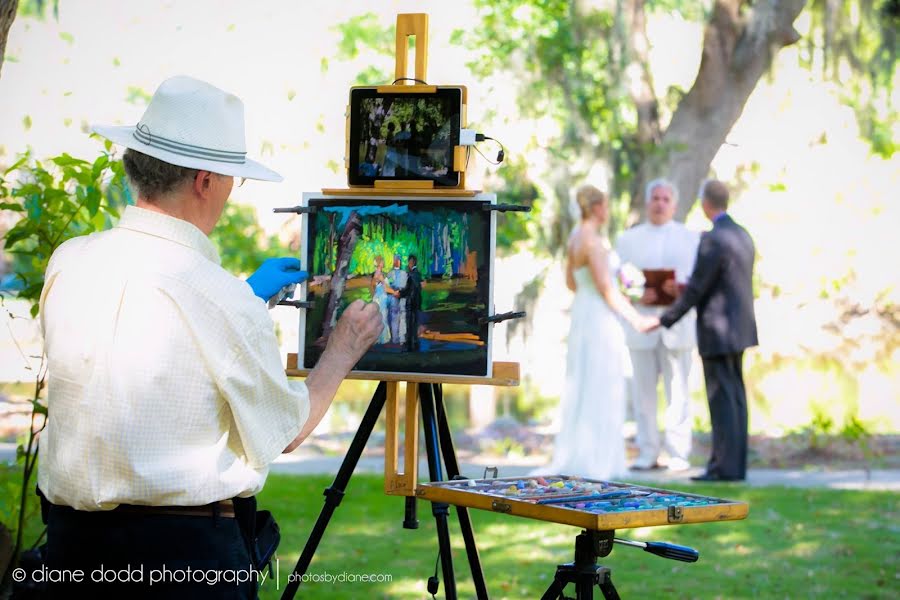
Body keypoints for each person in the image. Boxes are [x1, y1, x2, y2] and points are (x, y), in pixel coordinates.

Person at [36, 76, 383, 598]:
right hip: (183, 562)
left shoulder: (71, 260)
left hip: (67, 554)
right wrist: (342, 350)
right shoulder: (221, 299)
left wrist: (241, 301)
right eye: (232, 180)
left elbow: (144, 347)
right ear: (205, 181)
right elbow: (285, 430)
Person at [536, 185, 653, 480]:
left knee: (584, 381)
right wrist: (636, 318)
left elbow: (572, 283)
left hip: (582, 315)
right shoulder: (594, 242)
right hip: (599, 319)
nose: (608, 211)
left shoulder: (575, 238)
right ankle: (596, 460)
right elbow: (607, 290)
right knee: (601, 382)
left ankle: (583, 452)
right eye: (606, 205)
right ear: (598, 207)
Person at [644, 180, 758, 482]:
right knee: (736, 399)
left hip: (717, 330)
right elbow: (720, 280)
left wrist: (663, 319)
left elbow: (697, 288)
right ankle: (736, 466)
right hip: (740, 328)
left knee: (721, 401)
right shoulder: (742, 235)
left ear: (706, 204)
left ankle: (722, 468)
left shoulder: (712, 239)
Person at [615, 179, 700, 472]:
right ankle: (647, 452)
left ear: (674, 205)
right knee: (643, 394)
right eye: (655, 197)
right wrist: (638, 293)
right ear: (647, 202)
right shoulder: (627, 240)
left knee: (679, 394)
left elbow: (698, 282)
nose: (660, 203)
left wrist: (681, 289)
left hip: (678, 326)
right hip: (641, 325)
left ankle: (678, 453)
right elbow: (618, 282)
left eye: (666, 198)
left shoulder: (691, 239)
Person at [398, 254, 423, 351]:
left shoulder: (411, 275)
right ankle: (415, 340)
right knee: (415, 322)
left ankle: (409, 342)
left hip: (410, 302)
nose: (408, 264)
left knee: (409, 322)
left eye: (409, 262)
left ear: (411, 262)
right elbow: (419, 288)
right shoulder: (418, 274)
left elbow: (408, 289)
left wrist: (399, 293)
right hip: (417, 302)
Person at [370, 255, 395, 344]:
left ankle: (380, 338)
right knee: (382, 317)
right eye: (382, 262)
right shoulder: (378, 274)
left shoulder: (379, 274)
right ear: (379, 263)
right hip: (380, 299)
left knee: (381, 317)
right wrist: (394, 292)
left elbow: (373, 288)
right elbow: (384, 288)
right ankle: (382, 339)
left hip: (380, 298)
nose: (383, 263)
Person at [386, 253, 408, 344]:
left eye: (398, 260)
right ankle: (395, 338)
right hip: (393, 297)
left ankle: (402, 338)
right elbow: (387, 286)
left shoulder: (404, 273)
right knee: (394, 318)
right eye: (395, 260)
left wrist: (401, 293)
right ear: (393, 261)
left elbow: (407, 286)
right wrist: (394, 292)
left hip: (402, 297)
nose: (397, 262)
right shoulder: (390, 274)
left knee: (402, 317)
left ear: (400, 262)